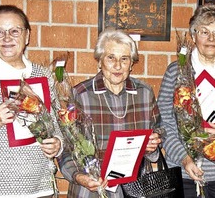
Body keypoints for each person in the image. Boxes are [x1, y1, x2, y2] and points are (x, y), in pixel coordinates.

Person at [0, 5, 63, 198]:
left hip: (40, 188)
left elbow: (57, 125)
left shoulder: (43, 76)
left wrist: (57, 143)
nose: (7, 38)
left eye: (14, 31)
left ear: (27, 36)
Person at [158, 4, 215, 198]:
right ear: (193, 36)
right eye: (204, 32)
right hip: (184, 171)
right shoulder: (176, 71)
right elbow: (164, 122)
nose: (211, 39)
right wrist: (185, 160)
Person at [59, 29, 162, 197]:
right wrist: (79, 176)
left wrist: (152, 144)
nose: (117, 66)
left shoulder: (145, 93)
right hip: (91, 189)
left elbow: (158, 129)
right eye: (111, 58)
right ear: (100, 61)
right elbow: (65, 146)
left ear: (131, 64)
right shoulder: (80, 94)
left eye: (124, 59)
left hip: (135, 189)